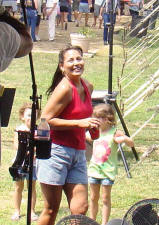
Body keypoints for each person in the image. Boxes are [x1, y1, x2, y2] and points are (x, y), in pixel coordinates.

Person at [36, 46, 101, 225]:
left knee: (80, 209)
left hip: (78, 153)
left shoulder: (88, 86)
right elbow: (45, 120)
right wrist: (78, 123)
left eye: (78, 59)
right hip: (55, 153)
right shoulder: (64, 88)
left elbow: (81, 115)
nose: (76, 63)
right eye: (70, 60)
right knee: (51, 209)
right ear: (62, 66)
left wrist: (91, 126)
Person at [87, 103, 134, 225]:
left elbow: (131, 143)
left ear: (108, 119)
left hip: (108, 172)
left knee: (105, 198)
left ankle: (104, 223)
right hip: (94, 170)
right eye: (95, 118)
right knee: (93, 197)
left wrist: (124, 139)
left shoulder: (114, 133)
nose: (96, 121)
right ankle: (92, 221)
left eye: (99, 118)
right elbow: (84, 136)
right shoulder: (95, 132)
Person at [11, 103, 40, 221]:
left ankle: (32, 211)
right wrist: (27, 150)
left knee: (31, 187)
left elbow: (40, 147)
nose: (31, 117)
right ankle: (17, 211)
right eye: (28, 115)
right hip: (20, 163)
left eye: (34, 115)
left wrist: (34, 150)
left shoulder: (38, 130)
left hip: (33, 163)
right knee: (18, 187)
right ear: (22, 116)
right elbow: (16, 145)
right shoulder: (19, 129)